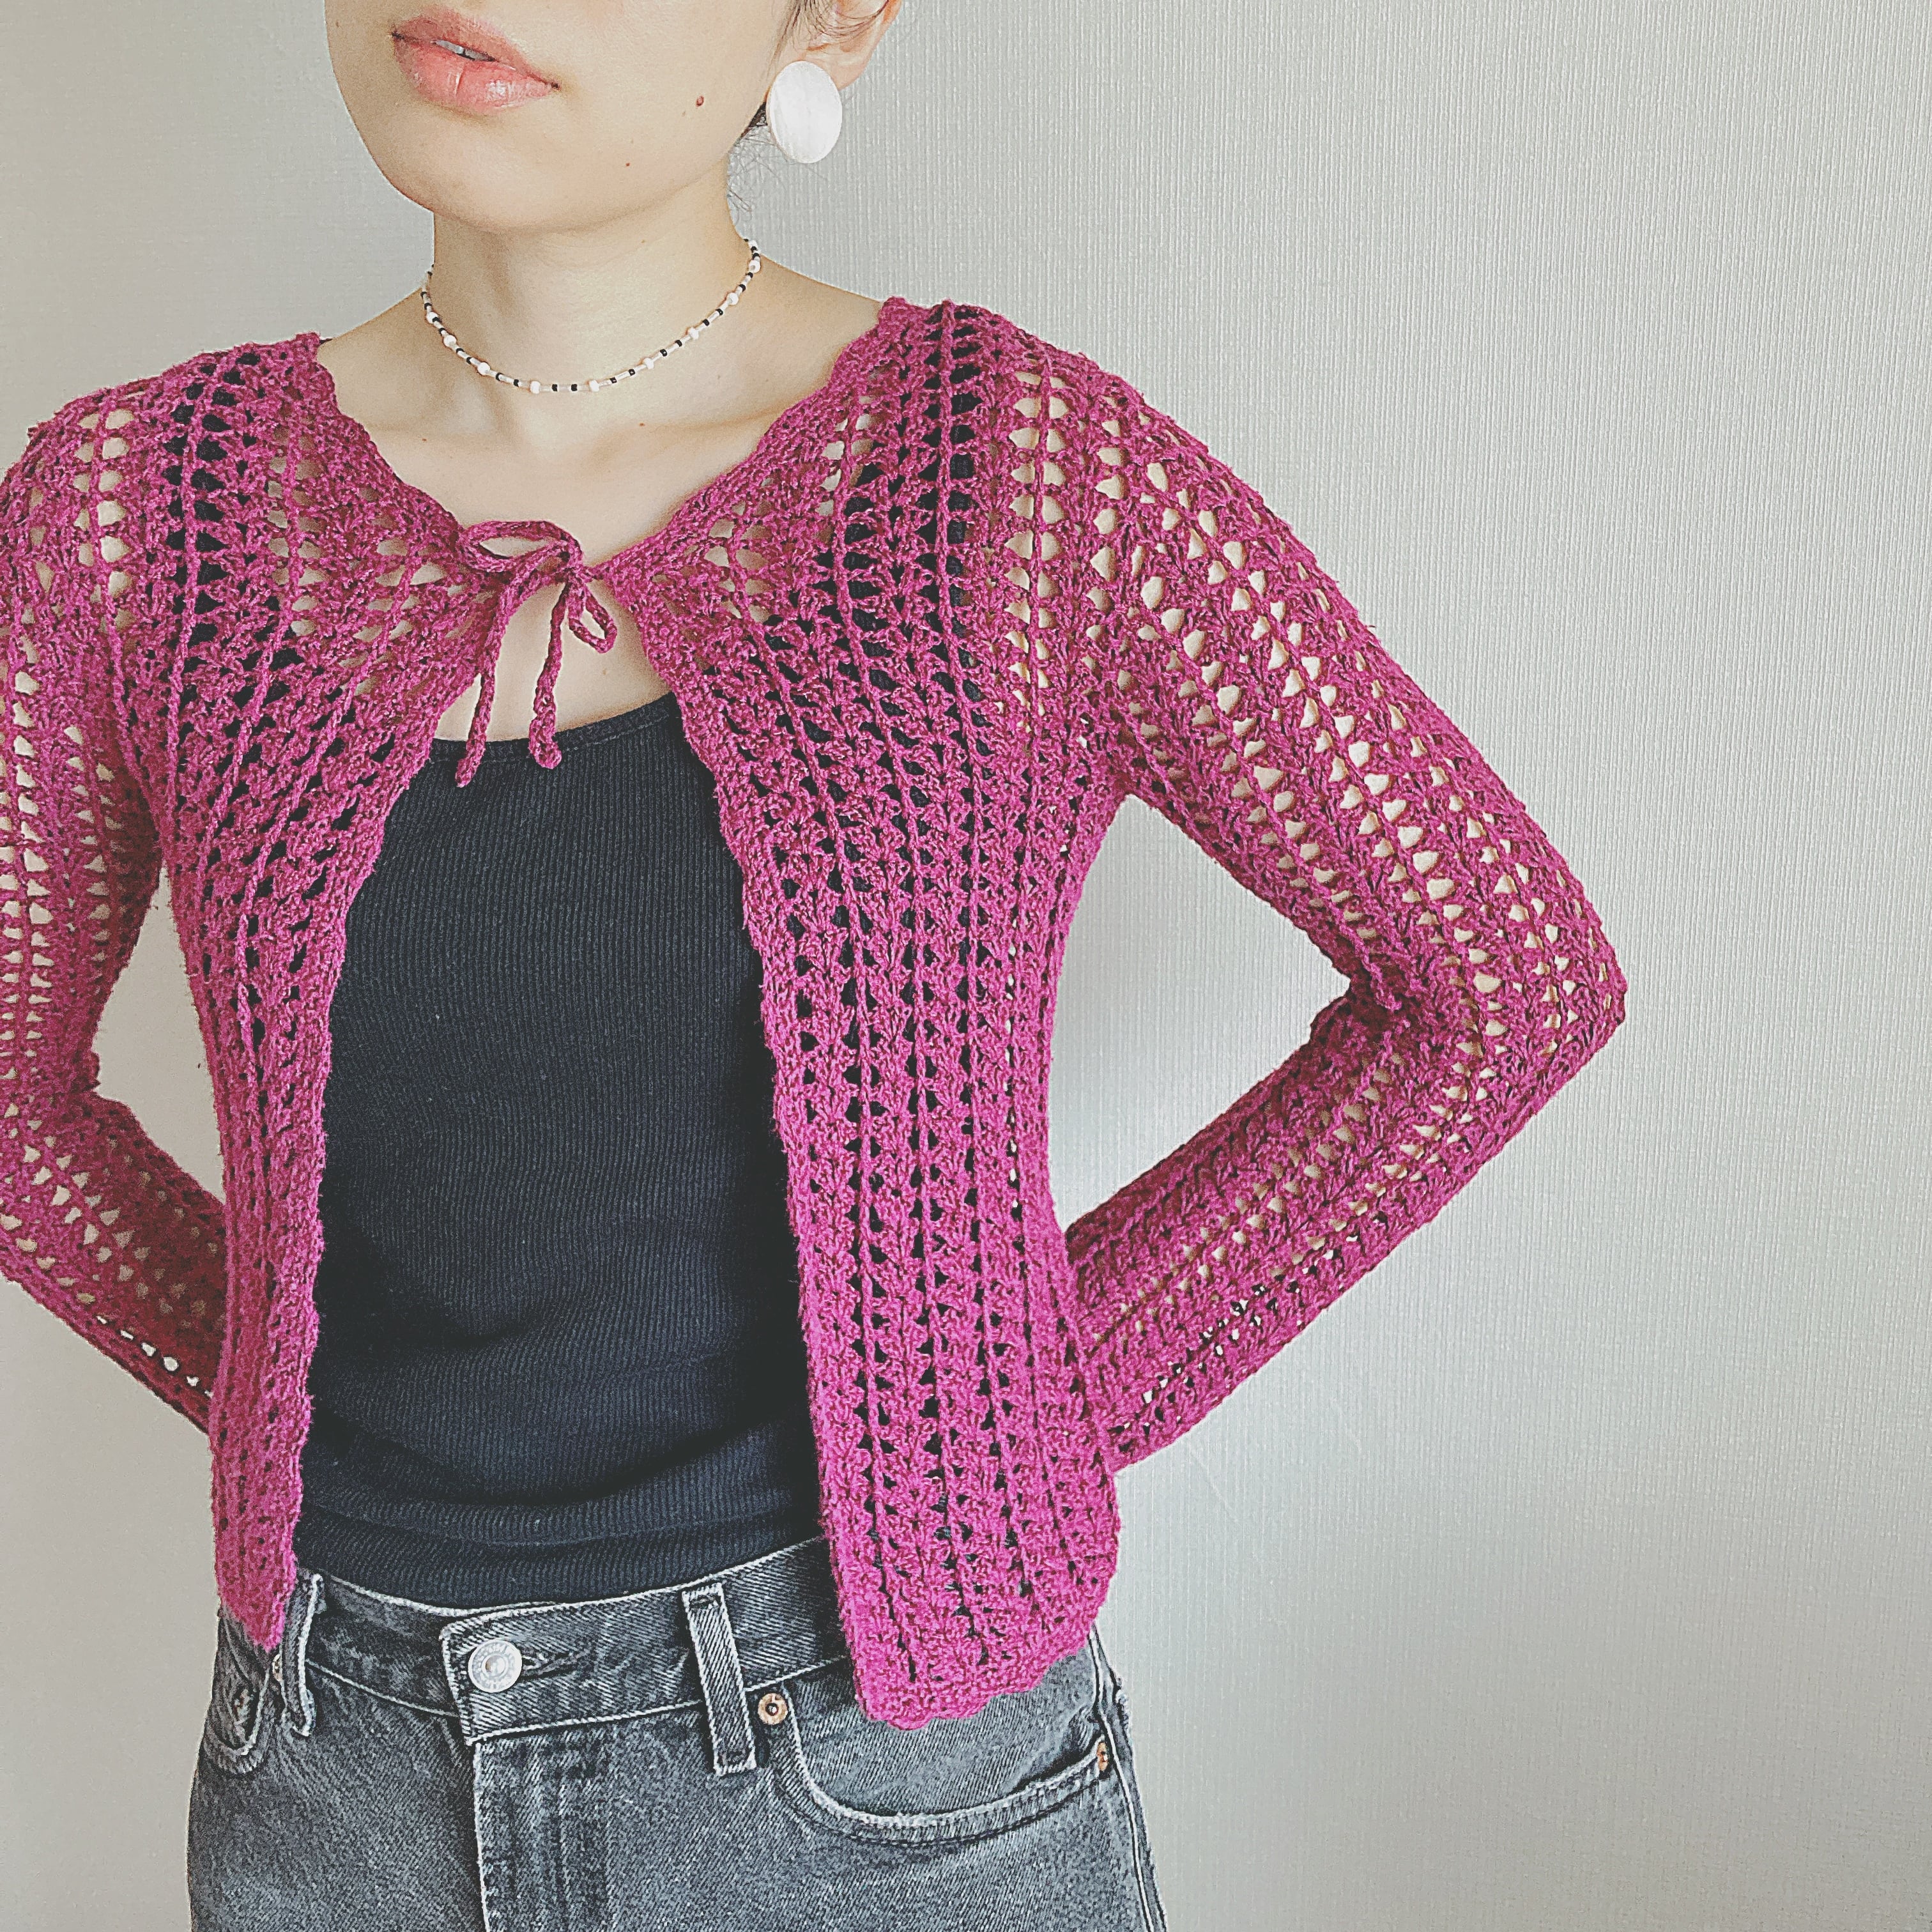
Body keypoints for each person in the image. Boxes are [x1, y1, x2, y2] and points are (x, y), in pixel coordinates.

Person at [1, 2, 1627, 1926]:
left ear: (834, 15)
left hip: (888, 1785)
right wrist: (283, 1376)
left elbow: (1501, 983)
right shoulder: (138, 520)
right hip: (337, 1793)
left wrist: (1004, 1398)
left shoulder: (1015, 486)